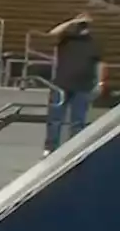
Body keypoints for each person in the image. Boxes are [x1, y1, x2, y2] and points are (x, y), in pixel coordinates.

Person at [45, 13, 105, 155]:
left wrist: (100, 82)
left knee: (78, 121)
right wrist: (72, 21)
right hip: (61, 84)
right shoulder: (66, 38)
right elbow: (51, 34)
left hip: (83, 86)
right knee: (55, 119)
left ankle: (74, 149)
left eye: (85, 25)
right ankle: (50, 147)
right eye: (80, 25)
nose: (82, 28)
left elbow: (100, 64)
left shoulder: (94, 43)